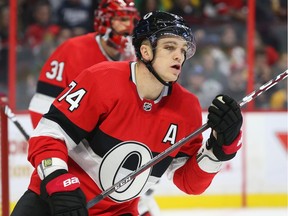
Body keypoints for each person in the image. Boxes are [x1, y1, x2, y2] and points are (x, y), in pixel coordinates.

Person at [11, 11, 243, 215]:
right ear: (145, 51)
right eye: (170, 47)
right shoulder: (101, 79)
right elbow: (49, 135)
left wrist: (221, 148)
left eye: (183, 50)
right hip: (54, 202)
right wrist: (60, 185)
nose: (179, 56)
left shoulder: (187, 107)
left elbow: (189, 182)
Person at [28, 0, 139, 128]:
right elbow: (43, 102)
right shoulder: (72, 50)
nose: (129, 26)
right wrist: (46, 139)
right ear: (104, 22)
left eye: (133, 20)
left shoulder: (136, 56)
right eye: (123, 20)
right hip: (72, 136)